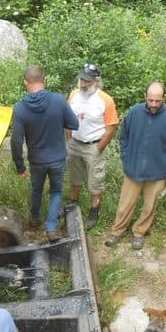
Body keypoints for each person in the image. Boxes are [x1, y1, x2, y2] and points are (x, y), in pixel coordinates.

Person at [104, 82, 166, 250]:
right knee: (125, 204)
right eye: (151, 100)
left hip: (158, 173)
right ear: (145, 96)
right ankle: (117, 231)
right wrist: (126, 156)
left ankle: (139, 233)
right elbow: (123, 137)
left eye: (158, 101)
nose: (154, 104)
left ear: (164, 99)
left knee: (149, 207)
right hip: (133, 170)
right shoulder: (134, 112)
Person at [11, 65, 79, 242]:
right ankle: (51, 228)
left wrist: (20, 166)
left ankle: (34, 219)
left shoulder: (20, 108)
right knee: (56, 191)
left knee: (36, 188)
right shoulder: (58, 100)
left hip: (37, 160)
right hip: (57, 158)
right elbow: (74, 124)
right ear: (45, 80)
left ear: (26, 82)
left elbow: (16, 141)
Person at [67, 62, 119, 230]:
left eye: (87, 81)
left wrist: (98, 148)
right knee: (75, 177)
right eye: (81, 79)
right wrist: (69, 139)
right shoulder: (74, 94)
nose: (83, 84)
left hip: (93, 146)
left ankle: (94, 210)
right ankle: (73, 204)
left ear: (96, 81)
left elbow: (111, 127)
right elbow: (67, 118)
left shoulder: (105, 100)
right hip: (75, 144)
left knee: (95, 182)